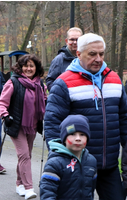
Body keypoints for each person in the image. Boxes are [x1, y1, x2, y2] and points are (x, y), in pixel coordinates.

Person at [44, 33, 127, 200]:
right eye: (92, 54)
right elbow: (52, 123)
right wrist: (60, 159)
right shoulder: (64, 82)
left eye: (101, 54)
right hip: (76, 166)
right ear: (79, 54)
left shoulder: (115, 79)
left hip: (109, 164)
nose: (98, 58)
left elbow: (124, 118)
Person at [0, 54, 46, 199]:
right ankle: (29, 188)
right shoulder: (13, 82)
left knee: (27, 156)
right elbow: (1, 103)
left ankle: (19, 184)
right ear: (20, 67)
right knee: (24, 155)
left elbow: (44, 101)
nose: (29, 68)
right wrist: (5, 116)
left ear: (36, 68)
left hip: (33, 125)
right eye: (26, 66)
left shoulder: (40, 84)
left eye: (32, 66)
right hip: (16, 124)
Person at [40, 115, 97, 200]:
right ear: (64, 138)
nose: (78, 138)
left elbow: (90, 191)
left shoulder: (91, 161)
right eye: (72, 134)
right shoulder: (55, 163)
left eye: (82, 134)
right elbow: (47, 194)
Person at [46, 27, 83, 91]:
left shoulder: (86, 59)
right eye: (72, 39)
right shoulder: (58, 60)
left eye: (77, 39)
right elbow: (50, 82)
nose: (75, 42)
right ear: (66, 41)